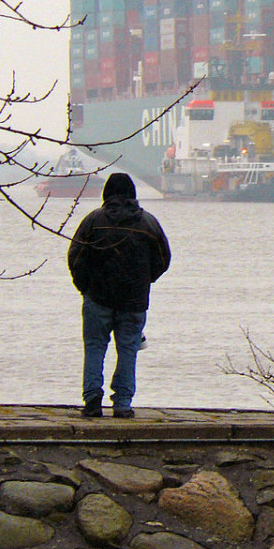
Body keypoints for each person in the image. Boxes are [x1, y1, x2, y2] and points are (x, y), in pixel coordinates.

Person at [68, 172, 171, 418]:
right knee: (128, 350)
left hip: (97, 297)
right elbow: (163, 259)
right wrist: (144, 281)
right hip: (134, 300)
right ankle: (122, 404)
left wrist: (85, 288)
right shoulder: (148, 223)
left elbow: (76, 257)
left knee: (94, 347)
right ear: (133, 195)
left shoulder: (93, 221)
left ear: (106, 194)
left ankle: (92, 400)